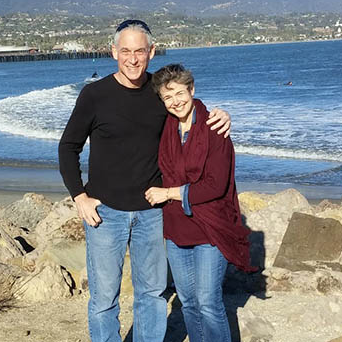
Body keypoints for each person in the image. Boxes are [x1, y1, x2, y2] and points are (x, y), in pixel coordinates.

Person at [58, 19, 230, 342]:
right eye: (126, 51)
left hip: (152, 213)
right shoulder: (94, 95)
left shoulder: (157, 93)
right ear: (113, 52)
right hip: (104, 213)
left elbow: (186, 109)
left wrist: (218, 114)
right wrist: (79, 196)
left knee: (152, 296)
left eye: (140, 51)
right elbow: (68, 147)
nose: (133, 59)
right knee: (103, 301)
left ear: (151, 52)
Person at [144, 64, 255, 342]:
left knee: (208, 301)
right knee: (189, 303)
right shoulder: (164, 127)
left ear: (192, 90)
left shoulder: (214, 127)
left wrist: (169, 193)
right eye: (168, 97)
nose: (175, 102)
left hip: (209, 227)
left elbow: (215, 185)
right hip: (176, 228)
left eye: (180, 93)